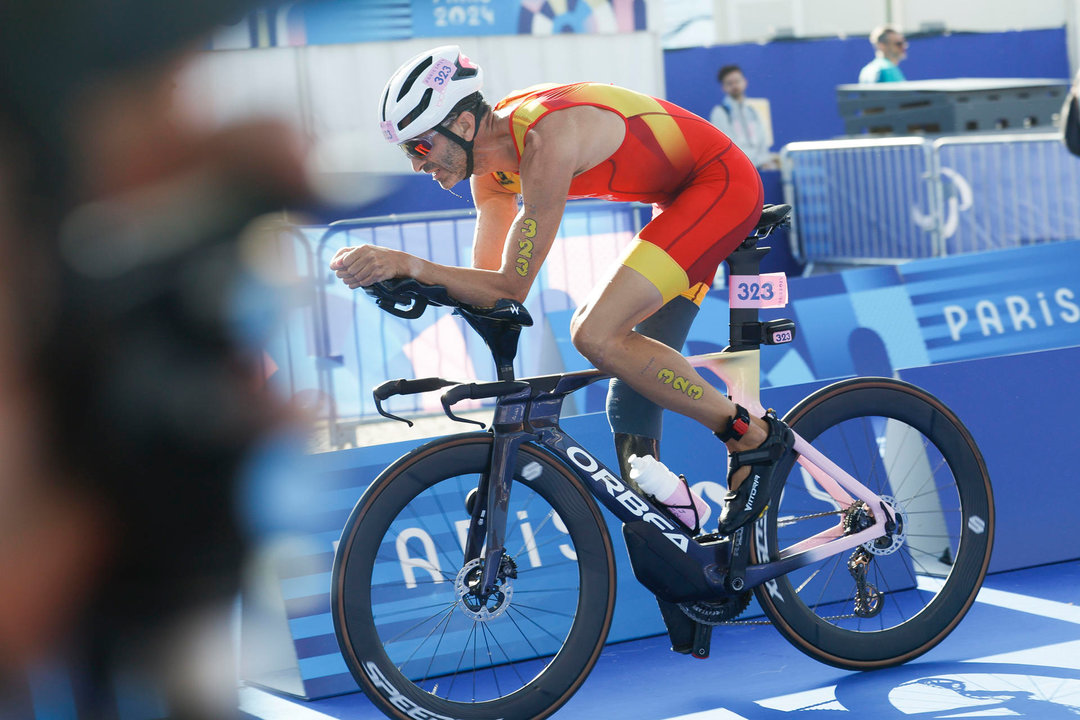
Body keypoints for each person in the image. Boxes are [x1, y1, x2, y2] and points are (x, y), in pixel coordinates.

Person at [332, 45, 795, 537]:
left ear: (463, 126)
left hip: (719, 184)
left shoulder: (544, 139)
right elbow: (489, 289)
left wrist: (410, 262)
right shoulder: (489, 174)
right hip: (677, 201)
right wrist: (402, 278)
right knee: (630, 398)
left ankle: (751, 437)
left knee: (595, 332)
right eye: (407, 151)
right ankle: (699, 565)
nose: (416, 165)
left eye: (420, 147)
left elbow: (513, 283)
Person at [709, 64, 777, 170]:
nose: (735, 86)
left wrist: (764, 161)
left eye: (737, 81)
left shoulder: (753, 111)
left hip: (759, 167)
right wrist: (752, 162)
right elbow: (728, 146)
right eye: (729, 83)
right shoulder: (720, 112)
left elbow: (762, 142)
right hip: (737, 168)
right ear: (723, 87)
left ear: (745, 82)